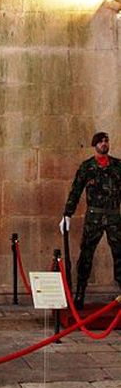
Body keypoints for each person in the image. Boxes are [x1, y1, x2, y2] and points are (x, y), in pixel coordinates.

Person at [59, 132, 121, 309]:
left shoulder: (117, 166)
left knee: (119, 255)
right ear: (95, 145)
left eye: (106, 141)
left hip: (114, 215)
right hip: (94, 215)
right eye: (100, 141)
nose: (104, 144)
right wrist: (67, 214)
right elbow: (76, 191)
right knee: (86, 254)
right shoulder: (87, 167)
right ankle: (79, 295)